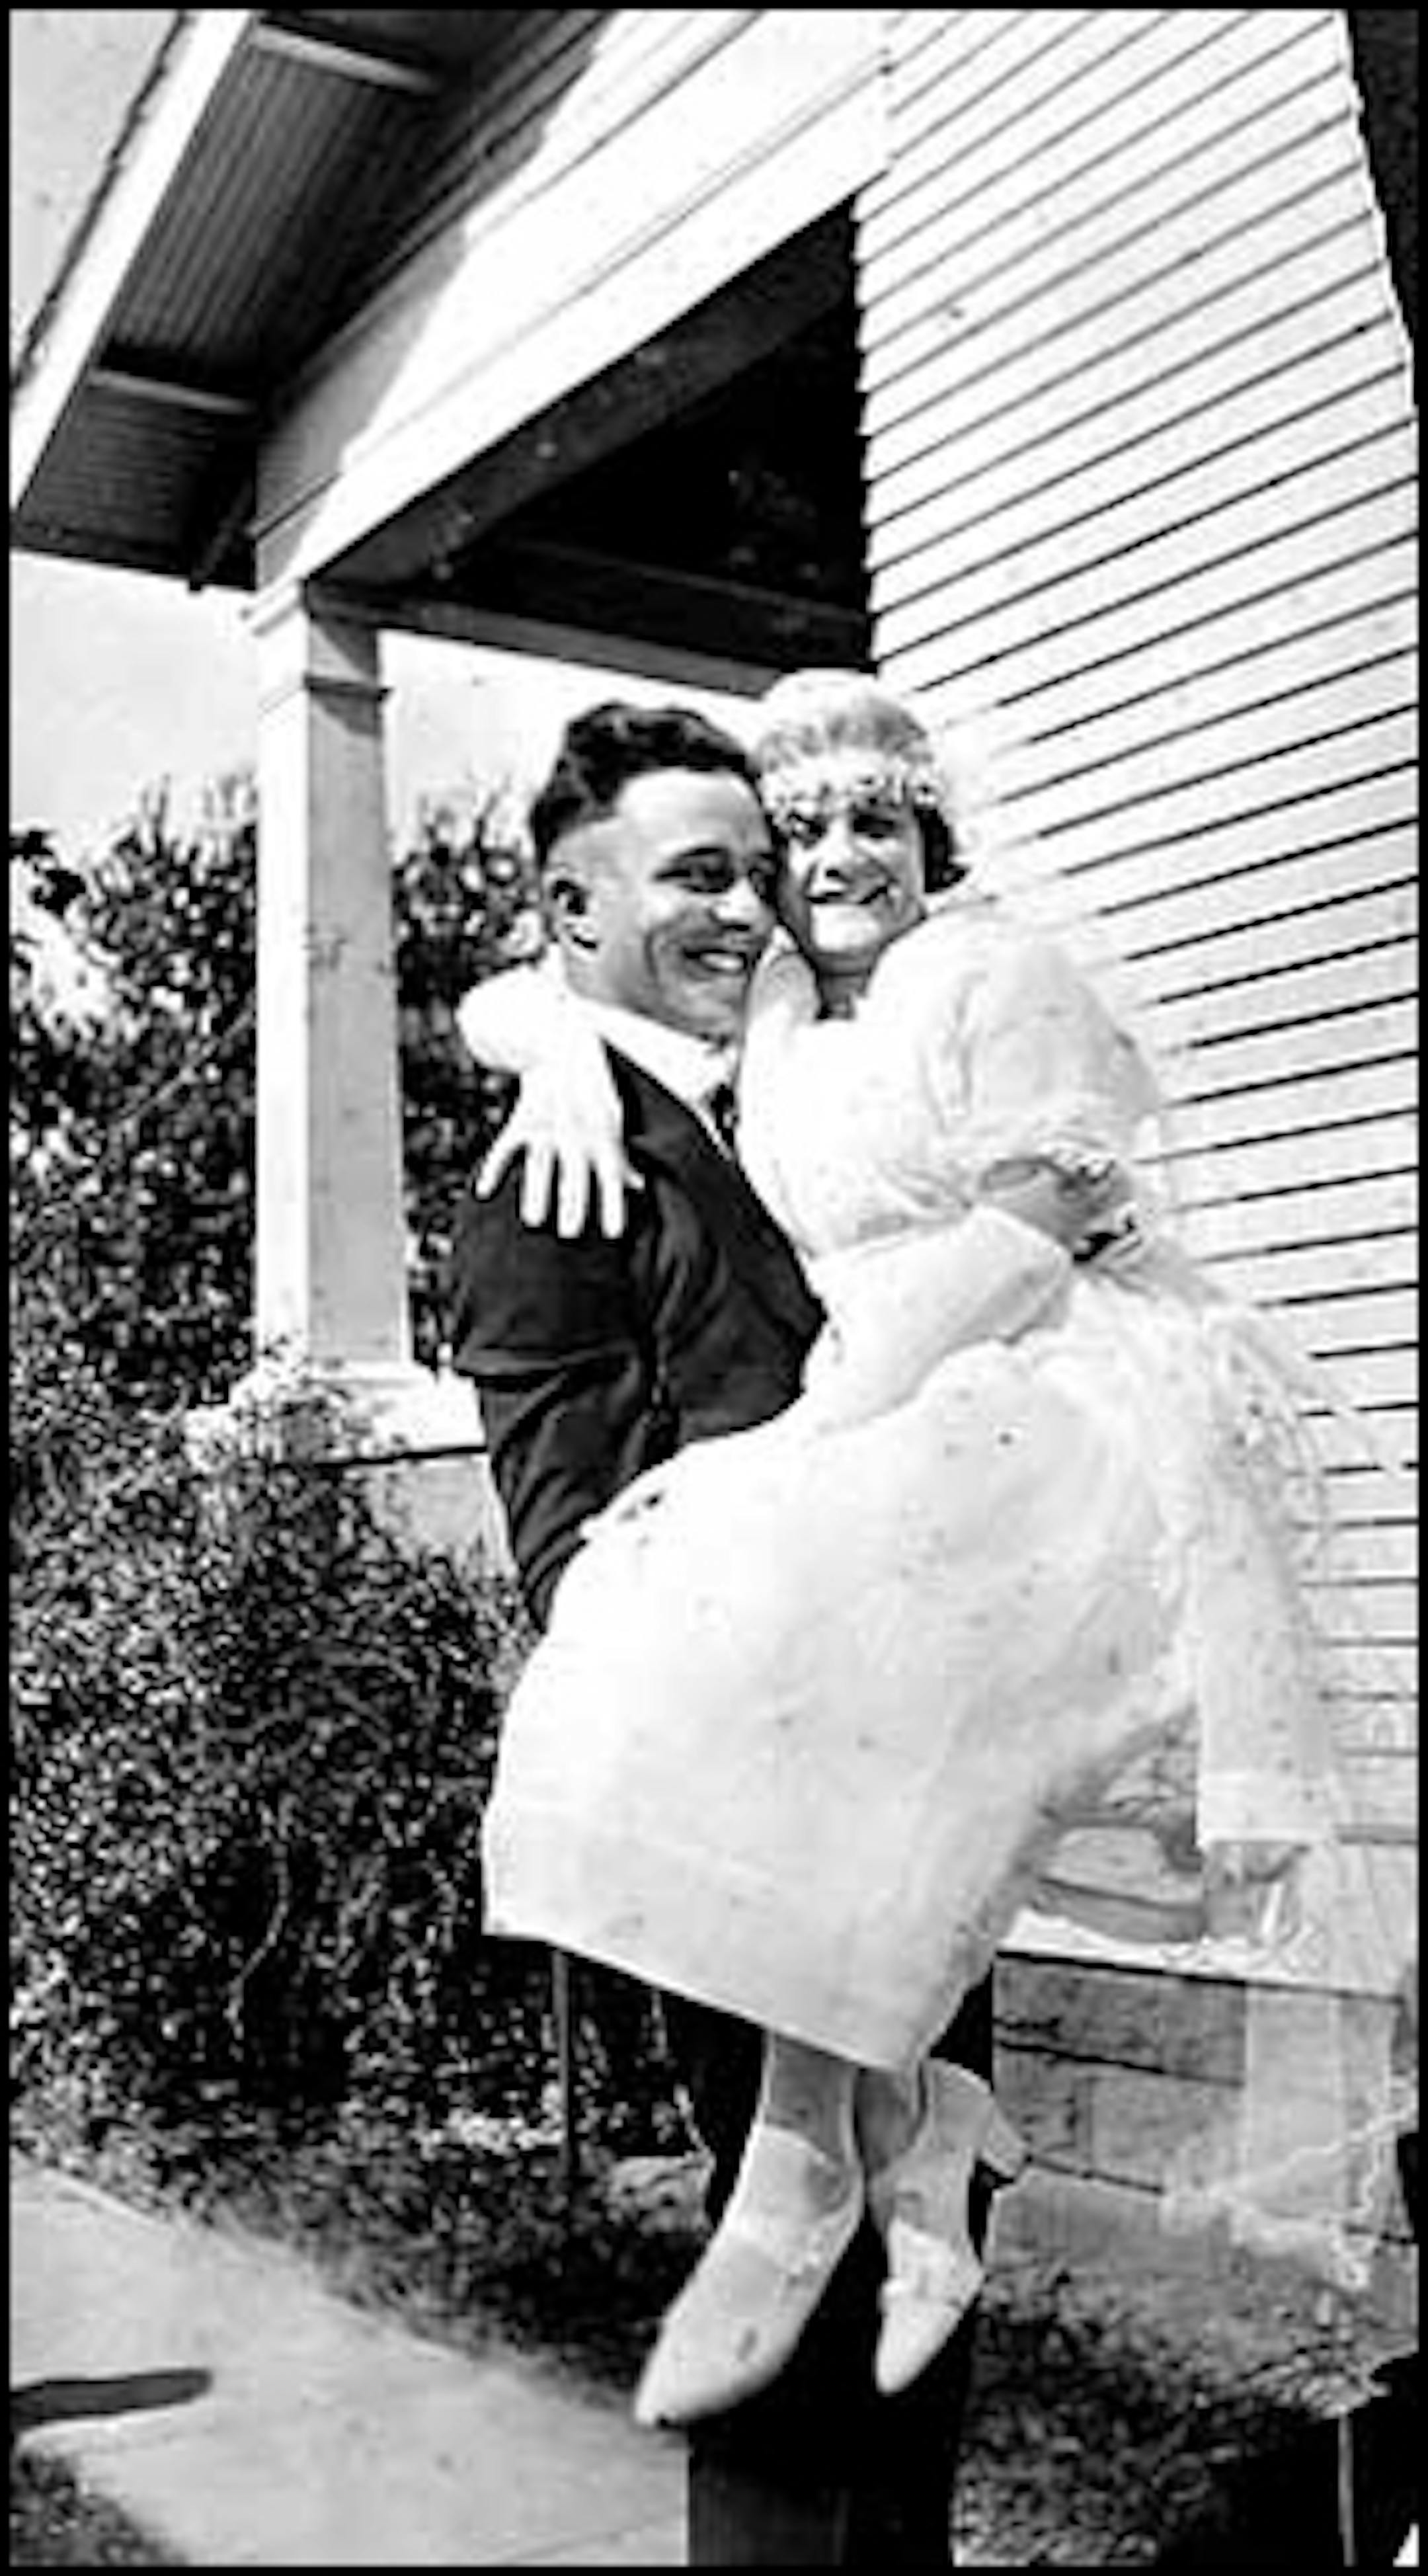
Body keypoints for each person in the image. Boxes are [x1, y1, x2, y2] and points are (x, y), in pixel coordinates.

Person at [456, 671, 1415, 2438]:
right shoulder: (743, 1047)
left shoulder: (976, 980)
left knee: (898, 2367)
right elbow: (536, 987)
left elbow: (1038, 1214)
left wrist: (844, 1405)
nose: (807, 874)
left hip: (1025, 1412)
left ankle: (859, 2142)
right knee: (802, 2374)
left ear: (930, 831)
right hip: (864, 1541)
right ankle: (861, 2139)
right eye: (780, 839)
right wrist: (550, 1048)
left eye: (855, 830)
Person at [446, 698, 1002, 2567]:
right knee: (799, 2298)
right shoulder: (563, 1167)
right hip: (744, 1809)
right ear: (567, 912)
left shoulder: (759, 1101)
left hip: (916, 1774)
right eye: (697, 874)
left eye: (756, 872)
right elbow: (577, 1566)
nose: (751, 912)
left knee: (929, 2266)